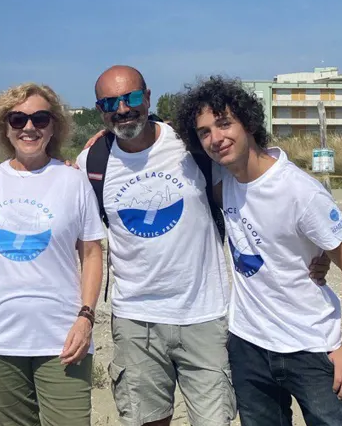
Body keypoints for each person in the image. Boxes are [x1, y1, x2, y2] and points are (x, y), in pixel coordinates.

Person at [175, 76, 342, 426]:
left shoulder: (300, 191)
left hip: (311, 345)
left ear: (248, 123)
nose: (216, 138)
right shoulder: (224, 181)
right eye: (204, 132)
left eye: (224, 123)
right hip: (249, 345)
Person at [76, 65, 234, 426]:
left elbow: (248, 191)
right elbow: (82, 237)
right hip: (136, 321)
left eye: (131, 98)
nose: (122, 109)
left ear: (147, 97)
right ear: (100, 109)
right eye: (110, 103)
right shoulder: (92, 163)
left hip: (204, 315)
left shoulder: (190, 144)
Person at [0, 83, 105, 426]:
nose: (29, 127)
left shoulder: (73, 181)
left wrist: (86, 316)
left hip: (63, 338)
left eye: (40, 118)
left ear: (54, 125)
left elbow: (91, 253)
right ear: (5, 126)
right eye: (18, 119)